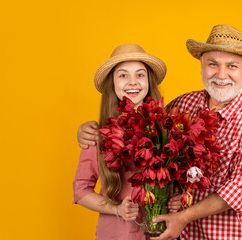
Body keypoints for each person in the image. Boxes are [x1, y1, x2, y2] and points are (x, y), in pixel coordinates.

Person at [77, 25, 242, 240]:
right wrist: (90, 130)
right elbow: (143, 123)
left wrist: (183, 216)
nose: (221, 74)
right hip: (182, 236)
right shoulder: (185, 104)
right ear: (202, 65)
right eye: (212, 64)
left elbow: (240, 190)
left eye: (232, 66)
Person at [73, 44, 181, 240]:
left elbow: (175, 182)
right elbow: (81, 190)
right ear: (112, 84)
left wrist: (176, 199)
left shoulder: (167, 129)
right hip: (117, 234)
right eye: (123, 75)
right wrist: (117, 209)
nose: (133, 82)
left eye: (140, 75)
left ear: (149, 81)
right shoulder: (98, 134)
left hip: (162, 234)